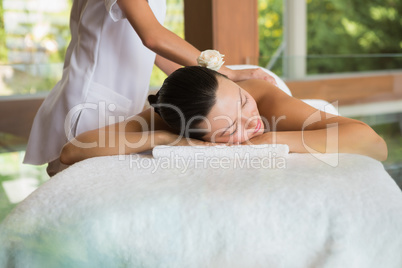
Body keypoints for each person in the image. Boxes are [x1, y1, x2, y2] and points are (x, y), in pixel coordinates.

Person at [23, 0, 275, 176]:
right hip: (90, 105)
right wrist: (226, 72)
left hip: (116, 102)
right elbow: (152, 36)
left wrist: (197, 87)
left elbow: (147, 47)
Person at [60, 66, 388, 167]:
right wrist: (164, 139)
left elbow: (375, 145)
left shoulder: (263, 102)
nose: (250, 121)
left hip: (301, 113)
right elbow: (72, 150)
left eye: (242, 104)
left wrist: (269, 139)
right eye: (230, 128)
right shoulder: (173, 115)